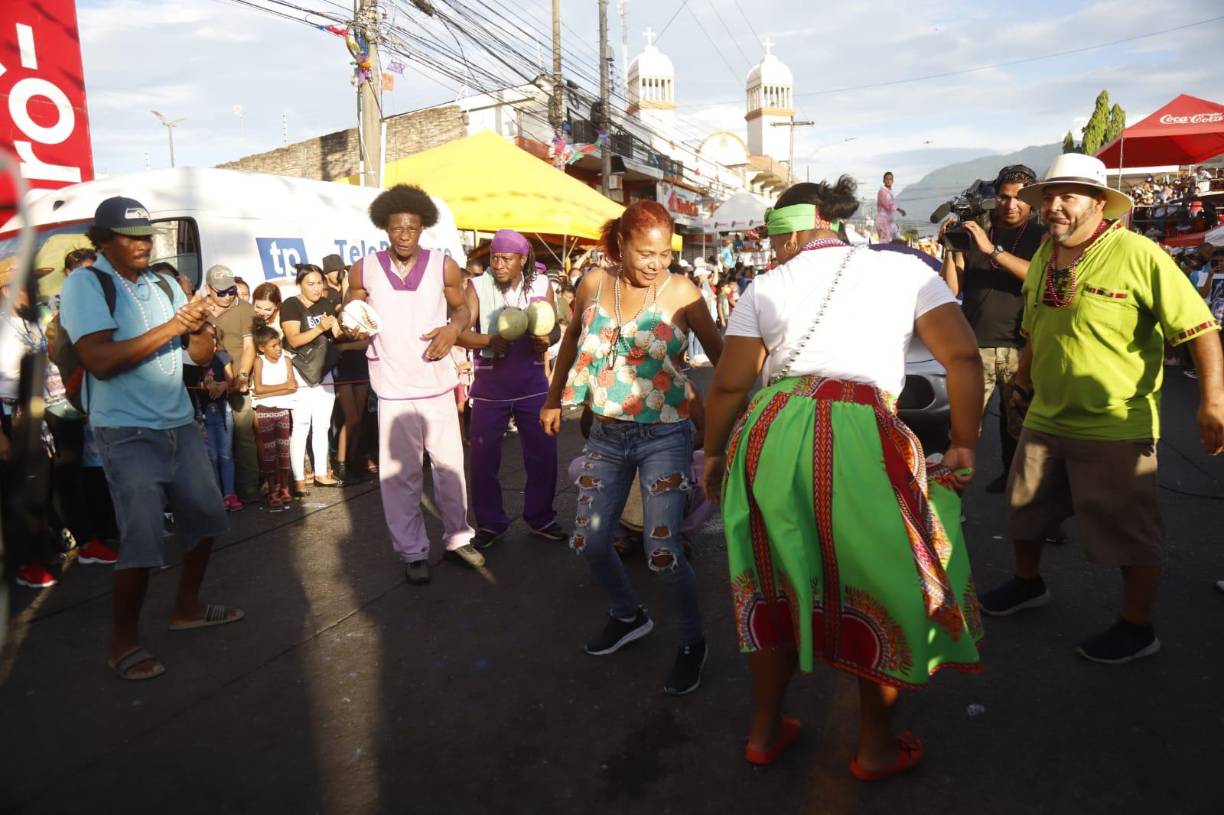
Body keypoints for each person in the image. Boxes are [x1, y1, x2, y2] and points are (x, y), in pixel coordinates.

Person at [700, 177, 984, 776]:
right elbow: (962, 358)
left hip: (770, 431)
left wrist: (712, 452)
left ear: (795, 229)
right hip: (864, 431)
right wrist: (963, 442)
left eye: (775, 239)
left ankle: (765, 728)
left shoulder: (766, 286)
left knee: (769, 580)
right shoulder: (907, 271)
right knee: (875, 583)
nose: (774, 252)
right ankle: (875, 745)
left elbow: (728, 383)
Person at [978, 154, 1224, 663]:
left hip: (1114, 420)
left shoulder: (1139, 254)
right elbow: (1036, 328)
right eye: (1050, 197)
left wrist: (1213, 402)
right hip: (1047, 412)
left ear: (1098, 202)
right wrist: (1023, 383)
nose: (1055, 207)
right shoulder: (1047, 254)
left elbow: (1200, 329)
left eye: (1068, 196)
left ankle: (1137, 628)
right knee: (1026, 508)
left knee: (1128, 531)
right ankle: (1028, 584)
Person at [541, 200, 725, 696]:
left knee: (662, 551)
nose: (656, 263)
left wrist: (730, 419)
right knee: (591, 542)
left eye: (664, 253)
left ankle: (692, 642)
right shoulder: (594, 285)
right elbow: (572, 339)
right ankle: (628, 615)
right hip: (605, 434)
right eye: (646, 253)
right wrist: (554, 399)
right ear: (619, 245)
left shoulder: (682, 292)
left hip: (665, 436)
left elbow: (726, 359)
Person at [59, 196, 242, 681]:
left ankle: (187, 607)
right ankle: (123, 642)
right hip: (125, 428)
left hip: (179, 422)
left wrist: (202, 325)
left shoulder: (163, 282)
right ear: (102, 240)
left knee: (205, 520)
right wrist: (171, 328)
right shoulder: (86, 282)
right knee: (141, 538)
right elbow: (99, 358)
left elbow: (198, 356)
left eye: (145, 236)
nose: (141, 244)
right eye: (128, 236)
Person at [345, 184, 480, 584]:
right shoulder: (364, 267)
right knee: (400, 476)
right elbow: (350, 312)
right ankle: (412, 552)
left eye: (412, 228)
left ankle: (457, 538)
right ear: (386, 228)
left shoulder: (444, 266)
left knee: (450, 468)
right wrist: (350, 319)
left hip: (437, 385)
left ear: (422, 229)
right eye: (397, 228)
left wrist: (453, 329)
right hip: (392, 387)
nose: (404, 236)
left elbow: (463, 310)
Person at [457, 229, 565, 549]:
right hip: (490, 387)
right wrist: (489, 340)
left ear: (523, 260)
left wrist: (548, 339)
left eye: (506, 258)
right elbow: (460, 332)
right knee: (483, 460)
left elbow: (557, 329)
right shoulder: (476, 286)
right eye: (494, 257)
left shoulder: (542, 285)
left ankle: (541, 516)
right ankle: (490, 523)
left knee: (543, 455)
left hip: (533, 385)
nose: (498, 264)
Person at [940, 165, 1045, 491]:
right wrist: (951, 247)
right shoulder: (976, 231)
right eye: (1003, 197)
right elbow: (951, 287)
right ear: (994, 197)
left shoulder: (1041, 235)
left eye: (1018, 198)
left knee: (1022, 426)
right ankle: (951, 496)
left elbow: (1037, 277)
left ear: (1030, 201)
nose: (1010, 205)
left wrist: (993, 251)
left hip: (1022, 346)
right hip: (976, 345)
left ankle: (1019, 487)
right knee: (964, 427)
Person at [279, 264, 342, 491]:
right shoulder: (291, 305)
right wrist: (319, 328)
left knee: (322, 424)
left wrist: (346, 328)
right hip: (300, 370)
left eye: (319, 283)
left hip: (324, 370)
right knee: (302, 424)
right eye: (311, 284)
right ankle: (297, 478)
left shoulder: (326, 304)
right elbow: (293, 340)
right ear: (299, 284)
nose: (316, 289)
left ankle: (322, 472)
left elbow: (337, 335)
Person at [203, 264, 260, 505]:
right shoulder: (199, 310)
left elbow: (249, 347)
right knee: (211, 444)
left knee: (244, 436)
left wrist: (243, 376)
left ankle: (249, 490)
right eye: (222, 292)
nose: (228, 296)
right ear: (209, 289)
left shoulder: (245, 309)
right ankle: (217, 492)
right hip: (205, 386)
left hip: (237, 381)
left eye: (231, 291)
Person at [195, 323, 241, 510]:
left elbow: (231, 380)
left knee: (225, 454)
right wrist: (204, 384)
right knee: (210, 455)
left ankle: (230, 494)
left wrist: (223, 385)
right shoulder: (193, 360)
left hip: (223, 410)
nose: (210, 340)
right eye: (205, 336)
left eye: (213, 336)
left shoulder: (222, 357)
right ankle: (215, 495)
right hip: (202, 413)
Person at [251, 325, 297, 511]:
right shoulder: (259, 361)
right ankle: (272, 489)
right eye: (273, 346)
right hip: (264, 411)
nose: (278, 349)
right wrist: (282, 387)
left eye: (279, 344)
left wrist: (268, 392)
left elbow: (292, 386)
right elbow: (258, 389)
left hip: (282, 410)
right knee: (269, 452)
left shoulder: (286, 360)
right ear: (262, 347)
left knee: (284, 450)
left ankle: (285, 487)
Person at [876, 171, 906, 243]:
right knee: (885, 244)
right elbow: (889, 204)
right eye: (887, 179)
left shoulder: (890, 191)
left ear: (893, 181)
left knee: (898, 241)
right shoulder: (882, 192)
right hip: (883, 222)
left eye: (890, 179)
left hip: (890, 222)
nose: (888, 181)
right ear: (884, 181)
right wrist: (899, 209)